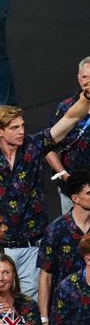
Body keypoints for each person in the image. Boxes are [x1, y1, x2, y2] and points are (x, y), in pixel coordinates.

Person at [0, 83, 90, 299]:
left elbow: (70, 120)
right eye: (14, 128)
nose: (22, 131)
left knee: (29, 306)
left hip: (32, 247)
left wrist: (86, 98)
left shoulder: (34, 147)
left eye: (22, 126)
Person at [39, 172, 90, 325]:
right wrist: (45, 322)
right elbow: (46, 277)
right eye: (89, 193)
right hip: (64, 319)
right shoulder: (56, 230)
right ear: (75, 198)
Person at [45, 57, 90, 214]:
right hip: (72, 188)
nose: (88, 82)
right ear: (78, 78)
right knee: (73, 234)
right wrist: (64, 175)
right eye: (84, 77)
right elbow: (47, 146)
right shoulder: (65, 107)